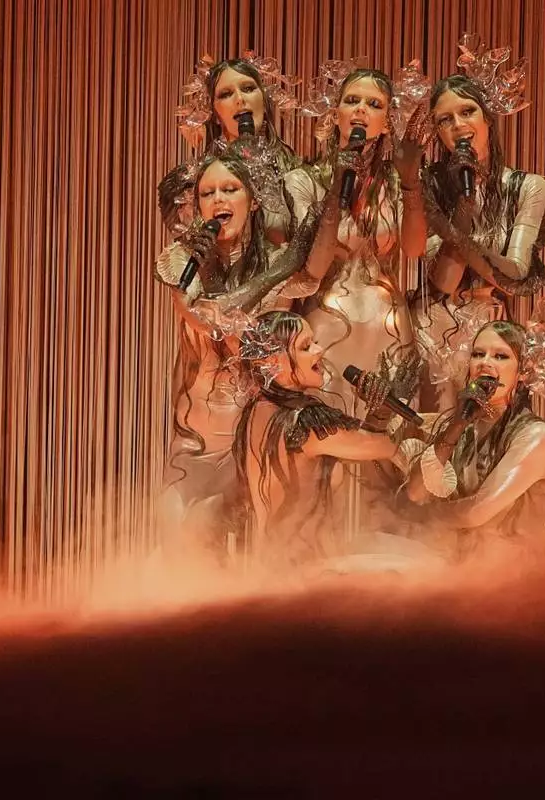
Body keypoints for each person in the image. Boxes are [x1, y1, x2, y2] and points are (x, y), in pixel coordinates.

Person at [151, 147, 335, 560]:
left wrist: (293, 254)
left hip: (256, 437)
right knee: (179, 549)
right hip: (197, 441)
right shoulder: (182, 261)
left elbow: (308, 282)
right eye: (207, 193)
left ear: (252, 201)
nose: (218, 199)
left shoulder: (274, 261)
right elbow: (211, 322)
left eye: (230, 189)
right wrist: (279, 268)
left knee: (255, 558)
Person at [413, 35, 545, 412]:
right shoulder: (429, 183)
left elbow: (514, 275)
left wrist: (451, 232)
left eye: (467, 112)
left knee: (488, 425)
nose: (458, 125)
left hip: (492, 329)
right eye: (445, 120)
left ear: (487, 118)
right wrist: (462, 206)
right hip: (434, 327)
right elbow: (443, 282)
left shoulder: (527, 187)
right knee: (436, 429)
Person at [287, 62, 432, 415]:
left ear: (387, 123)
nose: (361, 110)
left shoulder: (397, 182)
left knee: (385, 435)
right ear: (335, 113)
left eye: (374, 104)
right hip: (324, 328)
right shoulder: (304, 180)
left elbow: (415, 249)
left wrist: (411, 184)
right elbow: (313, 268)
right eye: (352, 100)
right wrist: (337, 186)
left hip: (389, 329)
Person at [231, 311, 420, 571]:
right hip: (304, 573)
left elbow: (360, 445)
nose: (319, 351)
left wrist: (381, 411)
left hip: (273, 568)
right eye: (305, 346)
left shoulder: (256, 411)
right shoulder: (305, 421)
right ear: (272, 362)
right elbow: (386, 447)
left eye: (315, 342)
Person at [403, 318, 545, 562]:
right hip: (465, 565)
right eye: (478, 354)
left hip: (524, 571)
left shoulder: (536, 435)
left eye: (500, 356)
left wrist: (424, 516)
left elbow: (476, 512)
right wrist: (456, 426)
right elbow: (416, 492)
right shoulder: (459, 426)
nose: (485, 363)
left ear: (523, 372)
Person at [175, 52, 302, 242]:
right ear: (214, 113)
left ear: (264, 102)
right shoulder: (194, 182)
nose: (240, 99)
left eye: (248, 88)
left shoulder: (296, 171)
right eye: (226, 94)